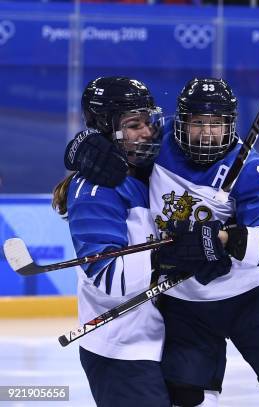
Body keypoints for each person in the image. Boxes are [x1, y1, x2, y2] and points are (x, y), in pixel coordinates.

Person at [64, 77, 259, 407]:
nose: (208, 133)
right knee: (192, 399)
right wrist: (82, 145)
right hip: (184, 304)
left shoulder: (252, 170)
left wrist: (224, 238)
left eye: (217, 124)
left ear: (231, 124)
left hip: (248, 296)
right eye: (198, 122)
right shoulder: (159, 141)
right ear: (181, 121)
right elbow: (115, 135)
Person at [52, 77, 170, 406]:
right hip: (123, 351)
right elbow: (109, 277)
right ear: (105, 128)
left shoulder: (153, 169)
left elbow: (194, 129)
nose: (147, 132)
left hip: (169, 342)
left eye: (149, 121)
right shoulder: (94, 191)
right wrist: (174, 256)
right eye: (134, 125)